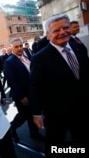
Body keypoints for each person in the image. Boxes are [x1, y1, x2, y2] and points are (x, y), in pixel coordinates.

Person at [30, 14, 89, 157]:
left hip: (82, 108)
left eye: (65, 27)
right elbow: (35, 87)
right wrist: (37, 112)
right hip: (57, 112)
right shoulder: (39, 58)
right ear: (48, 35)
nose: (62, 32)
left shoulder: (79, 46)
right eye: (56, 30)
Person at [4, 37, 43, 142]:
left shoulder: (27, 56)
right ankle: (11, 128)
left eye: (21, 46)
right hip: (22, 95)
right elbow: (12, 81)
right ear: (12, 48)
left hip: (32, 92)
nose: (20, 48)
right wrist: (22, 97)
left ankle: (34, 133)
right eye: (16, 47)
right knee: (24, 115)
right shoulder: (9, 62)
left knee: (31, 114)